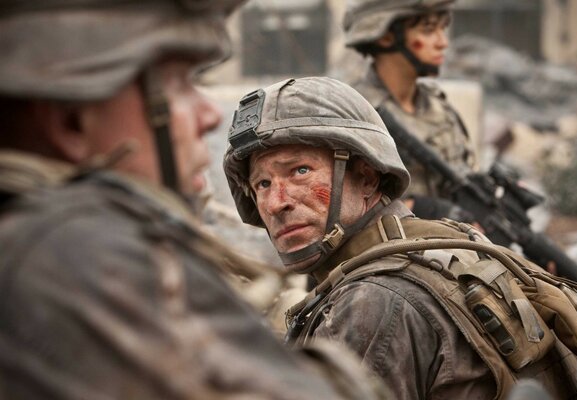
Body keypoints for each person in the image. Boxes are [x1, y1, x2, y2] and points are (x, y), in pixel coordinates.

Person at [0, 2, 391, 399]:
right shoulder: (84, 257)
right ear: (72, 120)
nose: (208, 114)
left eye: (300, 172)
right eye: (179, 84)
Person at [223, 76, 577, 399]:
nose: (275, 203)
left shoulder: (371, 301)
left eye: (300, 171)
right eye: (262, 184)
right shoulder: (443, 249)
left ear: (367, 177)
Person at [342, 0, 477, 221]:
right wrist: (418, 207)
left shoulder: (441, 109)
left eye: (441, 29)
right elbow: (342, 205)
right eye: (428, 30)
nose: (443, 42)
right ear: (386, 36)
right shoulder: (353, 112)